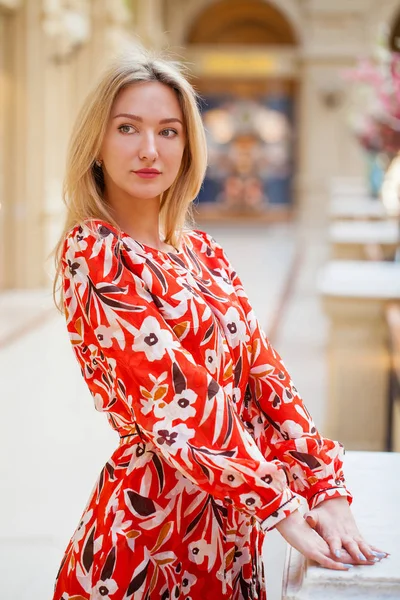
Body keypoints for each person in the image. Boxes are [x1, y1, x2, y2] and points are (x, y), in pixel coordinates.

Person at [52, 50, 388, 600]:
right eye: (127, 128)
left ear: (188, 147)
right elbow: (177, 404)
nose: (148, 150)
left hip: (230, 535)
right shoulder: (94, 252)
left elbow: (265, 378)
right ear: (96, 143)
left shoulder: (201, 252)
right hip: (148, 540)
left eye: (168, 131)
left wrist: (325, 488)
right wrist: (280, 506)